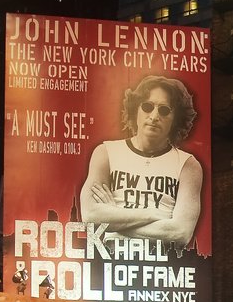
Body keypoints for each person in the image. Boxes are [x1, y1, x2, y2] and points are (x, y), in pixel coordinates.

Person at [80, 75, 204, 251]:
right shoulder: (105, 152)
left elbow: (180, 233)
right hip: (112, 264)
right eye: (147, 107)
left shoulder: (188, 166)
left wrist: (114, 216)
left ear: (176, 119)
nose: (154, 116)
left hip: (163, 268)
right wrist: (156, 214)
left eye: (164, 110)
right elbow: (90, 216)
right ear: (135, 109)